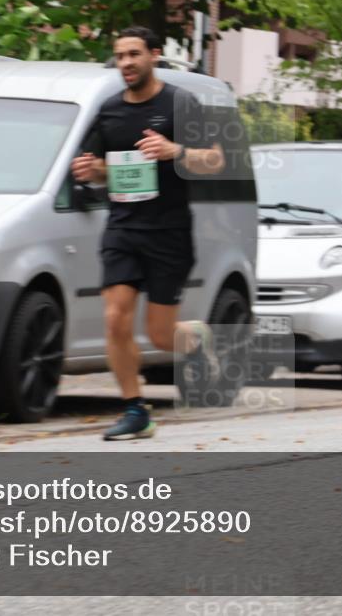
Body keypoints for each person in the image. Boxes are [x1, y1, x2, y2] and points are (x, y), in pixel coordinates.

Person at [71, 26, 226, 441]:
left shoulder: (180, 103)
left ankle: (196, 339)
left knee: (160, 334)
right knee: (115, 318)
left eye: (134, 54)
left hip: (169, 232)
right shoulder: (109, 111)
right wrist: (93, 171)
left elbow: (214, 161)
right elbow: (103, 168)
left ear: (154, 55)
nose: (126, 63)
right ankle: (135, 409)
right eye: (119, 56)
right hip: (123, 227)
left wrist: (175, 151)